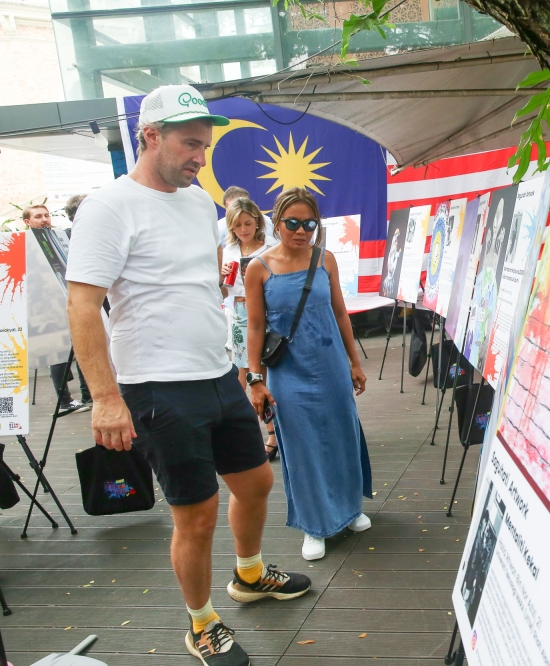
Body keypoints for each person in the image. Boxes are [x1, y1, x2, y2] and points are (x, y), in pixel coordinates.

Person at [65, 84, 310, 666]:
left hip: (218, 374)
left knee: (256, 484)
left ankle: (248, 575)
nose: (201, 157)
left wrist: (246, 373)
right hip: (156, 385)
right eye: (190, 145)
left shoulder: (202, 203)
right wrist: (105, 398)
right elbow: (82, 306)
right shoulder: (109, 206)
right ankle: (201, 623)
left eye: (204, 145)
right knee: (195, 514)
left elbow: (204, 293)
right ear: (150, 137)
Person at [244, 187, 373, 562]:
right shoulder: (259, 267)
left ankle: (349, 508)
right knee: (300, 446)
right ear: (278, 222)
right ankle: (313, 524)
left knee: (342, 434)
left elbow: (340, 313)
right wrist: (255, 379)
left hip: (331, 364)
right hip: (287, 371)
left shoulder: (325, 259)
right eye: (293, 223)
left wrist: (354, 361)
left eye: (310, 224)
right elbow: (254, 327)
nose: (301, 231)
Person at [221, 197, 278, 459]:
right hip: (238, 314)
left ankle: (274, 433)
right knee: (244, 378)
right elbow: (223, 291)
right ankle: (258, 433)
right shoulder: (228, 250)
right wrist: (220, 277)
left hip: (265, 314)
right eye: (237, 225)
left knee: (263, 374)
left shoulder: (271, 248)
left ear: (257, 221)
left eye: (247, 223)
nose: (243, 229)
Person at [23, 204, 91, 413]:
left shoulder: (56, 237)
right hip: (46, 307)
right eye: (38, 217)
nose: (44, 219)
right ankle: (64, 401)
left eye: (46, 215)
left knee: (81, 346)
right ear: (27, 221)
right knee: (59, 354)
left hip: (69, 298)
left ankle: (87, 395)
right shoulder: (26, 244)